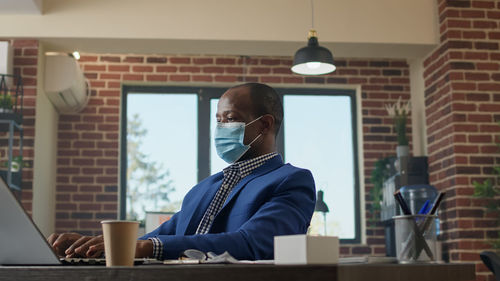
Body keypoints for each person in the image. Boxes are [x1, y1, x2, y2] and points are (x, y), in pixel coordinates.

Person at [48, 82, 316, 260]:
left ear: (265, 125)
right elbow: (155, 240)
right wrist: (94, 246)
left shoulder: (291, 181)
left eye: (231, 119)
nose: (221, 128)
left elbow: (254, 243)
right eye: (218, 121)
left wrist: (145, 247)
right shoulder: (203, 189)